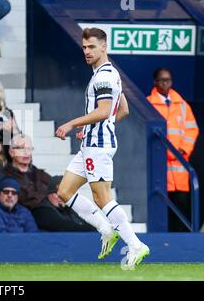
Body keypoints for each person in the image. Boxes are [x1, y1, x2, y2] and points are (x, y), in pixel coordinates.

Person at [54, 27, 148, 269]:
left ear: (104, 47)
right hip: (91, 142)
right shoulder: (108, 73)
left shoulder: (104, 76)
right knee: (64, 191)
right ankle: (106, 230)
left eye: (92, 46)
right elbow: (122, 109)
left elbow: (106, 110)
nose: (87, 51)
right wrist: (95, 126)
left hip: (98, 145)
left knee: (101, 197)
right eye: (84, 47)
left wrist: (71, 123)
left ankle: (135, 244)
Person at [147, 68, 199, 232]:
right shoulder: (148, 103)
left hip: (180, 168)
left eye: (168, 80)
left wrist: (184, 150)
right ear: (155, 82)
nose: (165, 83)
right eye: (161, 80)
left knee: (182, 209)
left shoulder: (182, 105)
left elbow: (192, 130)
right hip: (160, 169)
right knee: (163, 211)